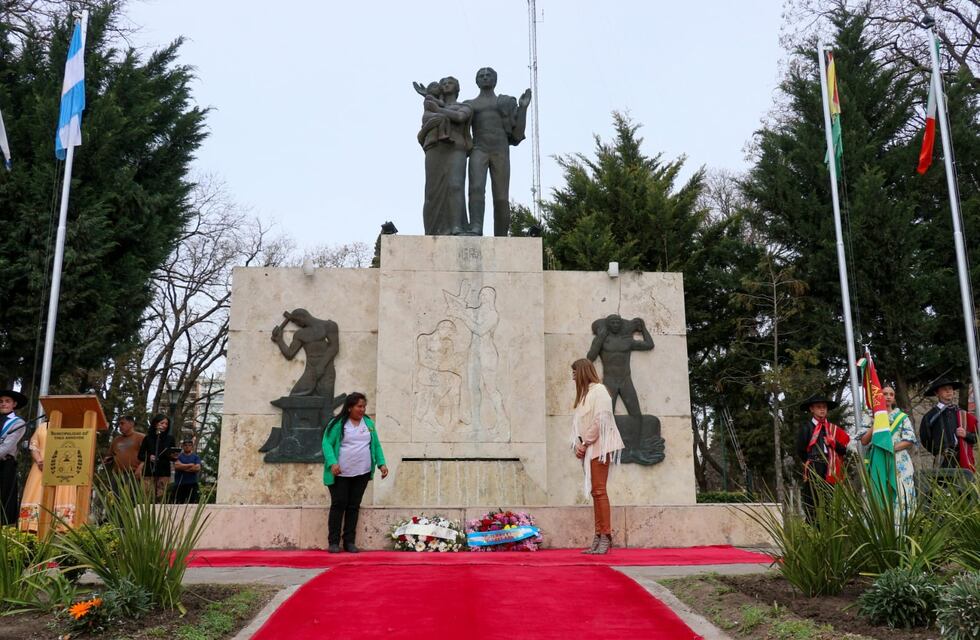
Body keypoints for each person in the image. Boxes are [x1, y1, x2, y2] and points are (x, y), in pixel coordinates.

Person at [464, 67, 531, 236]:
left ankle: (501, 235)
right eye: (481, 76)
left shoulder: (506, 102)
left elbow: (517, 134)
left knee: (501, 196)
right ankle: (476, 228)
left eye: (488, 75)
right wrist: (431, 98)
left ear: (495, 80)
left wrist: (523, 108)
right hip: (478, 149)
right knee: (476, 189)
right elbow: (451, 115)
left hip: (500, 150)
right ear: (477, 81)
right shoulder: (470, 104)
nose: (485, 78)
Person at [321, 392, 388, 553]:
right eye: (359, 406)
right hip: (341, 473)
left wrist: (381, 464)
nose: (362, 409)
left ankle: (349, 541)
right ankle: (333, 542)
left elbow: (376, 445)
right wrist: (332, 463)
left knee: (353, 506)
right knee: (339, 504)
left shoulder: (368, 424)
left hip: (362, 472)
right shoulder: (338, 424)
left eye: (364, 406)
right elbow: (327, 444)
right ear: (350, 407)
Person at [570, 358, 624, 555]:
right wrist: (579, 445)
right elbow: (579, 426)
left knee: (599, 491)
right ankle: (598, 535)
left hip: (599, 448)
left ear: (583, 372)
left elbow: (602, 419)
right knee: (595, 492)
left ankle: (606, 536)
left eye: (575, 372)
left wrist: (585, 444)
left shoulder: (600, 391)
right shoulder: (585, 395)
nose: (573, 376)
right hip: (589, 449)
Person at [418, 76, 473, 236]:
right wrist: (431, 103)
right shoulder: (429, 107)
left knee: (456, 186)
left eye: (450, 83)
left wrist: (436, 109)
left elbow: (460, 117)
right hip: (434, 148)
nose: (446, 85)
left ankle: (457, 226)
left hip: (456, 148)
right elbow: (423, 129)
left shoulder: (465, 106)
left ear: (457, 88)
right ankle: (431, 230)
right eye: (443, 83)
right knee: (431, 191)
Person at [857, 385, 916, 521]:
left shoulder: (901, 417)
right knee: (877, 494)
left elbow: (909, 440)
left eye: (891, 394)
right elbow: (865, 440)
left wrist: (890, 448)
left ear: (894, 398)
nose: (888, 396)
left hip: (899, 463)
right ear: (878, 397)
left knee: (901, 495)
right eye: (884, 394)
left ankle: (902, 532)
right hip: (877, 460)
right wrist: (876, 422)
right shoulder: (870, 417)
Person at [795, 393, 850, 521]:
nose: (822, 409)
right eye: (818, 406)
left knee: (830, 501)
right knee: (812, 501)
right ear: (811, 409)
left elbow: (844, 450)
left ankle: (829, 529)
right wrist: (811, 462)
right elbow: (801, 451)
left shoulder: (832, 429)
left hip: (831, 469)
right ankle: (813, 530)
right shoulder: (806, 428)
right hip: (814, 466)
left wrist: (834, 443)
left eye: (824, 407)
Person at [18, 420, 77, 532]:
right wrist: (40, 461)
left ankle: (60, 529)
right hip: (41, 468)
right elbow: (34, 446)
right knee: (36, 495)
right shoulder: (42, 427)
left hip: (63, 470)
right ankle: (32, 528)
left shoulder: (72, 428)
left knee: (62, 498)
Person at [919, 378, 977, 473]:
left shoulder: (962, 414)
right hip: (942, 460)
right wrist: (939, 451)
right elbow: (925, 439)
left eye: (950, 388)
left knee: (965, 486)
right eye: (944, 389)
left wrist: (966, 434)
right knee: (943, 486)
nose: (948, 391)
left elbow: (976, 437)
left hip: (963, 459)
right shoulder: (929, 417)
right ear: (937, 393)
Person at [0, 389, 28, 525]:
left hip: (5, 465)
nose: (3, 404)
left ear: (14, 404)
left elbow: (6, 446)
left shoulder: (18, 423)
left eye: (7, 401)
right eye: (1, 401)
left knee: (4, 497)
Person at [137, 414, 177, 501]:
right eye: (162, 423)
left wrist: (174, 456)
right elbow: (140, 455)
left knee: (161, 497)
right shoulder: (147, 438)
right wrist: (149, 457)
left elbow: (173, 456)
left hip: (164, 470)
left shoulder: (170, 439)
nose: (164, 425)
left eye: (166, 424)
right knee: (146, 496)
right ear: (155, 424)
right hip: (149, 470)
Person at [172, 437, 202, 504]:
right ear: (182, 446)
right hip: (179, 484)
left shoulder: (196, 457)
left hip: (192, 484)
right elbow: (176, 466)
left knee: (192, 505)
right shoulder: (178, 456)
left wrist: (182, 467)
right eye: (185, 445)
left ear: (192, 447)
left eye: (189, 445)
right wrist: (190, 465)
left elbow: (197, 468)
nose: (187, 447)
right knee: (177, 505)